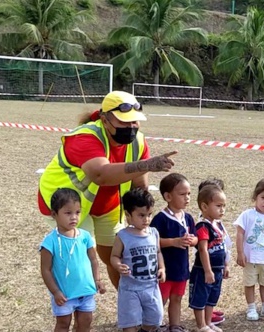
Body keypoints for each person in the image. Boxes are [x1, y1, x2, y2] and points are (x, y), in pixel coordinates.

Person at [38, 91, 176, 289]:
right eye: (124, 122)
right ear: (104, 119)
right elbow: (101, 175)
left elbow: (140, 186)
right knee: (78, 259)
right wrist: (146, 164)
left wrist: (140, 219)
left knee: (119, 255)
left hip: (108, 205)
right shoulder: (85, 137)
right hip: (68, 204)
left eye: (135, 122)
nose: (131, 127)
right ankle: (77, 308)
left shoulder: (138, 142)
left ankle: (130, 301)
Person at [40, 188, 106, 332]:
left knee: (85, 322)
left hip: (86, 291)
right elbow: (45, 270)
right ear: (54, 214)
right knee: (63, 324)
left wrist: (98, 280)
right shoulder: (50, 241)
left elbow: (93, 259)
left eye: (77, 212)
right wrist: (55, 292)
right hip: (65, 294)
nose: (74, 217)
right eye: (68, 213)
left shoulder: (84, 236)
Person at [110, 189, 166, 332]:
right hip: (130, 286)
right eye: (141, 215)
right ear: (128, 215)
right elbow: (114, 256)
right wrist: (118, 266)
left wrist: (162, 268)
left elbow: (158, 252)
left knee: (156, 315)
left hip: (150, 285)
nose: (146, 219)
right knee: (129, 317)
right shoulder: (123, 236)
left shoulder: (153, 233)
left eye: (149, 214)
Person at [150, 173, 199, 332]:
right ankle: (153, 327)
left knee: (177, 298)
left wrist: (193, 240)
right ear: (168, 196)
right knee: (160, 299)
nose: (187, 198)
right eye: (182, 194)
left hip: (181, 268)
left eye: (189, 194)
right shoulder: (160, 219)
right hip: (164, 269)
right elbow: (152, 241)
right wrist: (173, 241)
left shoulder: (187, 217)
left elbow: (196, 237)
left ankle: (175, 327)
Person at [234, 178, 264, 321]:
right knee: (249, 283)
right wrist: (240, 252)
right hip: (251, 258)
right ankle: (251, 308)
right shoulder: (247, 215)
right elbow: (240, 233)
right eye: (263, 197)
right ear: (255, 197)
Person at [189, 184, 229, 332]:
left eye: (224, 206)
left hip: (218, 269)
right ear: (204, 206)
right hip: (203, 270)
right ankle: (201, 325)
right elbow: (203, 249)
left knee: (213, 296)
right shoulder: (202, 226)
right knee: (201, 297)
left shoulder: (218, 225)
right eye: (218, 206)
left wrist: (226, 265)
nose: (222, 209)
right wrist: (207, 270)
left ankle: (208, 321)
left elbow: (224, 246)